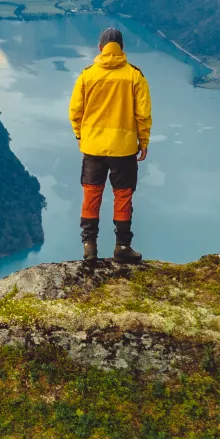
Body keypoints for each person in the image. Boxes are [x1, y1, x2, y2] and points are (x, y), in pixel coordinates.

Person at [68, 28, 152, 263]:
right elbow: (142, 114)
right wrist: (143, 141)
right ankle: (122, 246)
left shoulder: (87, 75)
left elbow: (75, 111)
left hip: (93, 147)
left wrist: (80, 136)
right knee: (122, 196)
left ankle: (89, 246)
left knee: (91, 195)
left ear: (100, 48)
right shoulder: (135, 76)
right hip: (124, 148)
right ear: (122, 48)